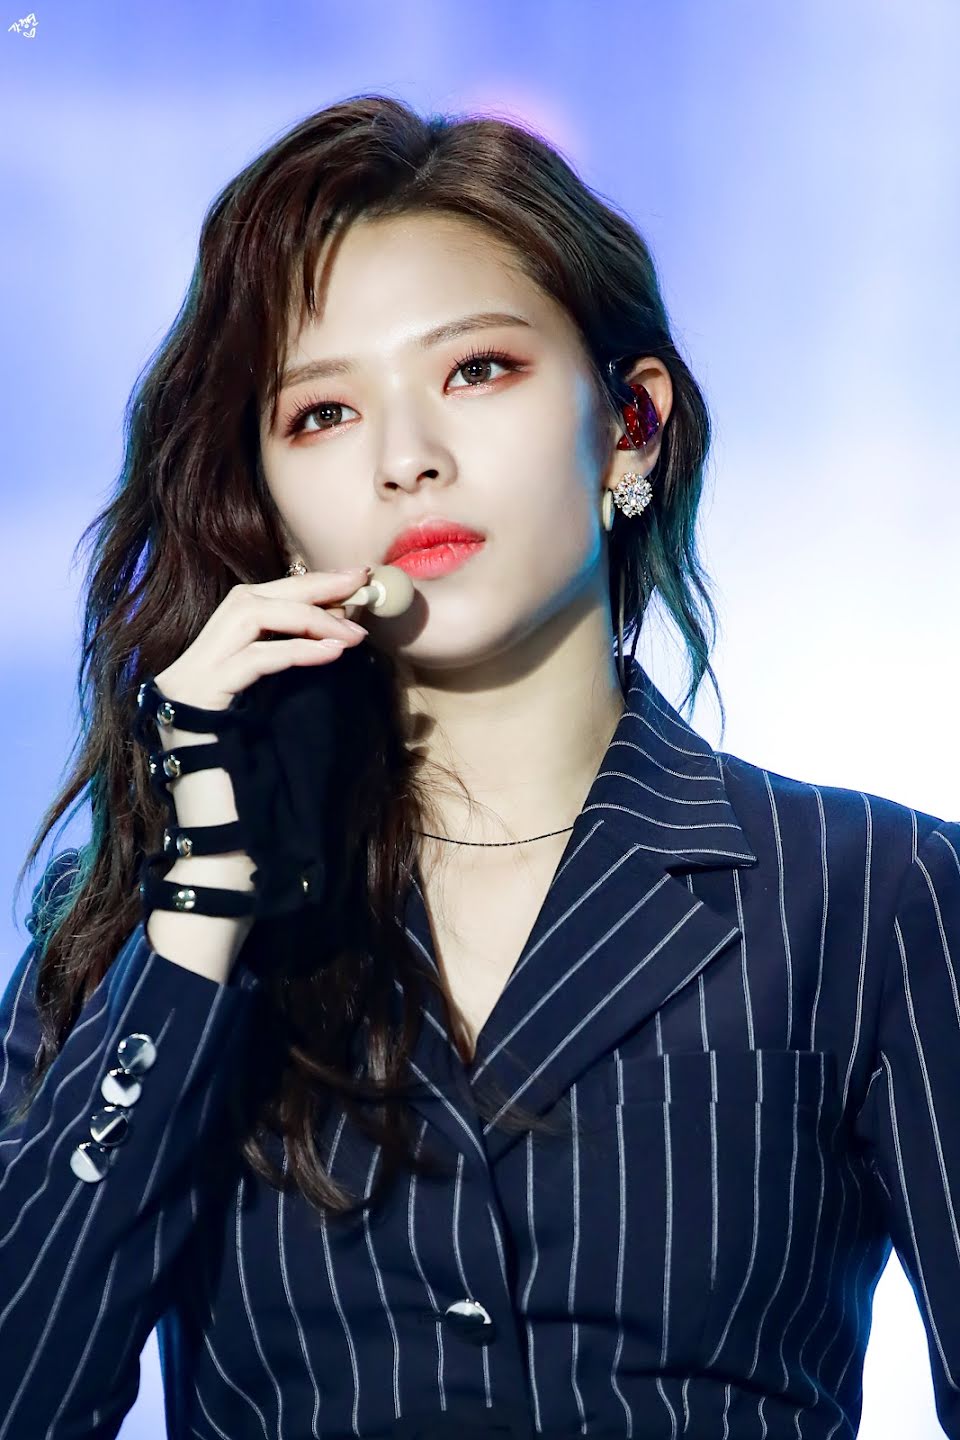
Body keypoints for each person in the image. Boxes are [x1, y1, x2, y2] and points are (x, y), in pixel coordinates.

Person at [0, 92, 958, 1440]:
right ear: (268, 504)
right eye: (323, 414)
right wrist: (209, 895)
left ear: (630, 425)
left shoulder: (875, 894)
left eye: (477, 370)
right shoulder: (140, 943)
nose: (408, 461)